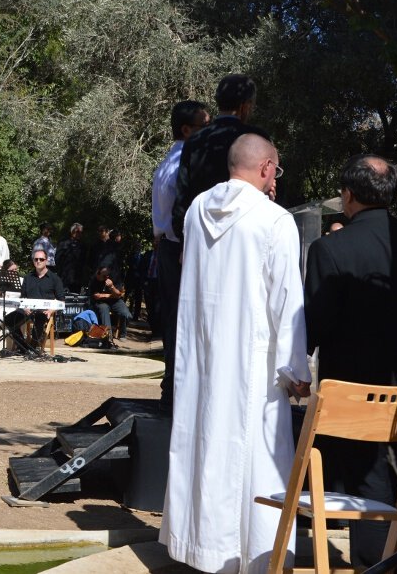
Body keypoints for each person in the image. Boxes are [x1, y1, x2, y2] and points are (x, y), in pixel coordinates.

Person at [160, 134, 311, 574]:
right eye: (276, 171)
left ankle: (197, 544)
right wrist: (295, 368)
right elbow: (288, 300)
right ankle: (254, 555)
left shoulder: (194, 212)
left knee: (202, 440)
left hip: (203, 353)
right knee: (256, 455)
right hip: (254, 359)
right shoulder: (274, 220)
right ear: (266, 168)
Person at [303, 154, 397, 569]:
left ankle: (375, 562)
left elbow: (317, 321)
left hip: (352, 393)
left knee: (369, 480)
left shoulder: (329, 249)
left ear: (347, 196)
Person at [152, 100, 211, 407]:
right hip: (179, 247)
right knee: (183, 322)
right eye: (205, 126)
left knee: (174, 322)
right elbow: (182, 213)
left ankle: (171, 385)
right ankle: (177, 389)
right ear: (188, 130)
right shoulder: (180, 166)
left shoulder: (166, 162)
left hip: (168, 245)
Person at [172, 74, 270, 241]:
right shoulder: (257, 138)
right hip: (246, 237)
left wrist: (185, 239)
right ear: (244, 106)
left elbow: (182, 197)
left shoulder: (194, 141)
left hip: (201, 238)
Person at [4, 248, 64, 349]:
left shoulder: (55, 279)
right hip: (27, 309)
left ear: (46, 260)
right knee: (9, 320)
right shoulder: (28, 277)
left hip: (44, 311)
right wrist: (25, 307)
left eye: (41, 259)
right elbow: (22, 297)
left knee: (39, 318)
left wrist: (51, 310)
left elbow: (61, 300)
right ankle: (24, 347)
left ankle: (33, 347)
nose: (38, 261)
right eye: (36, 259)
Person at [88, 266, 131, 340]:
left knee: (126, 314)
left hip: (115, 301)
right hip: (101, 302)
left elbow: (119, 295)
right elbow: (96, 296)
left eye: (107, 275)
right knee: (104, 308)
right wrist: (111, 295)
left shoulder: (114, 277)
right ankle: (108, 336)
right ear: (98, 273)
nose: (106, 277)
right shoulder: (94, 280)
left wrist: (112, 287)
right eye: (103, 276)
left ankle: (122, 334)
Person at [55, 223, 87, 293]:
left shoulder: (83, 245)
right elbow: (57, 259)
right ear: (72, 232)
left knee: (76, 299)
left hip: (77, 278)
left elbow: (84, 261)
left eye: (81, 232)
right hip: (65, 277)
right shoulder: (63, 243)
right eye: (77, 232)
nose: (79, 234)